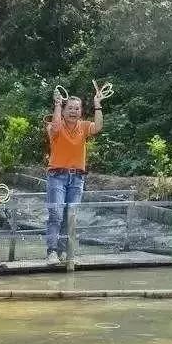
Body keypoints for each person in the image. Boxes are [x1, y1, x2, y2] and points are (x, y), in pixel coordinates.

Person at [44, 83, 108, 265]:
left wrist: (97, 104)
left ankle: (65, 251)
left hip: (77, 177)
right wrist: (57, 104)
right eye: (70, 108)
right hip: (57, 175)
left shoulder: (84, 126)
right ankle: (52, 252)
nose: (73, 111)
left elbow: (99, 127)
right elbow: (55, 128)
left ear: (81, 111)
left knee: (70, 215)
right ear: (64, 110)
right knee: (56, 213)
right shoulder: (54, 125)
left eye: (77, 108)